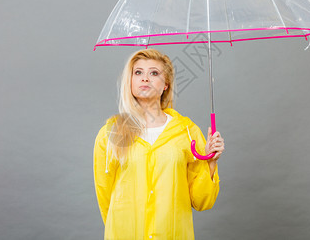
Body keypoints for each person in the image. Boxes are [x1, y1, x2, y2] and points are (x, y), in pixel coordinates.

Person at [93, 48, 225, 240]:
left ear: (166, 84)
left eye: (154, 73)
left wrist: (211, 161)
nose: (145, 78)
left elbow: (202, 201)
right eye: (138, 72)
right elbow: (104, 196)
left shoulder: (187, 132)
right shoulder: (111, 134)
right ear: (129, 81)